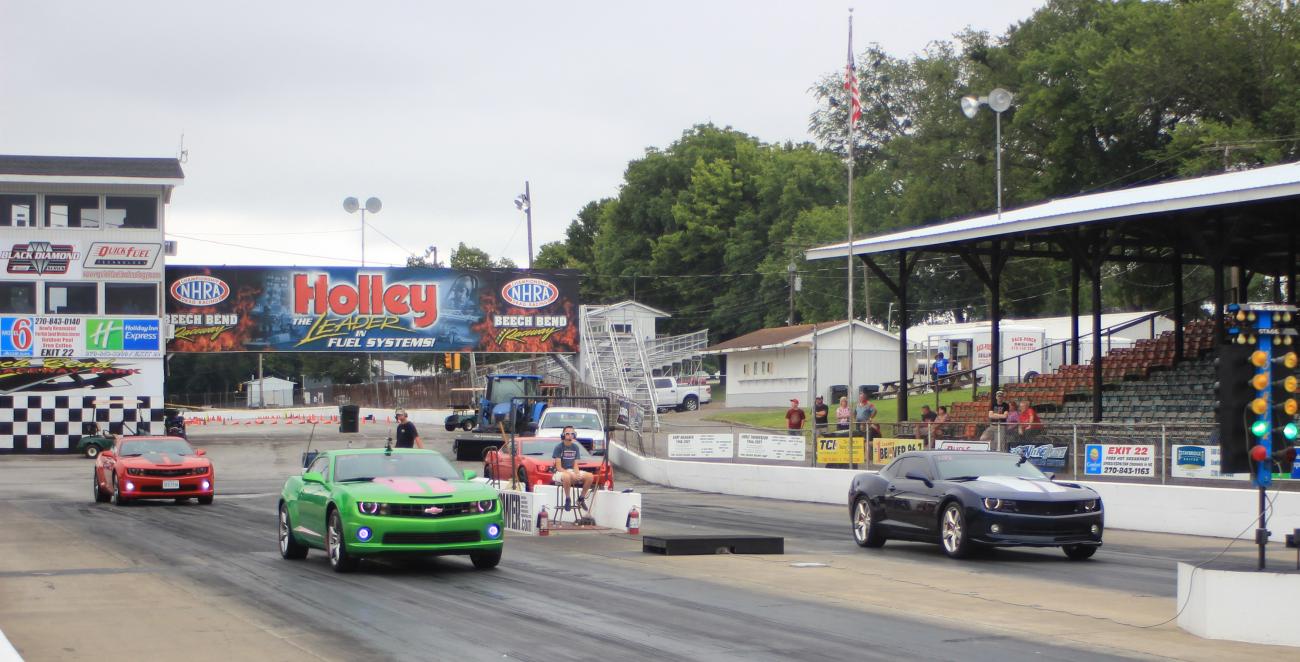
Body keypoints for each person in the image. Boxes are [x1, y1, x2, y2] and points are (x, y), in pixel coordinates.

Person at [553, 426, 594, 509]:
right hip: (561, 472)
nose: (570, 435)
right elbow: (558, 467)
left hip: (572, 471)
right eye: (567, 434)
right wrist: (570, 474)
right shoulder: (558, 447)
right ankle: (568, 499)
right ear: (563, 435)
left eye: (572, 434)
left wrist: (577, 473)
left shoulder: (576, 447)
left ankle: (581, 498)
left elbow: (575, 465)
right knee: (566, 476)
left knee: (590, 476)